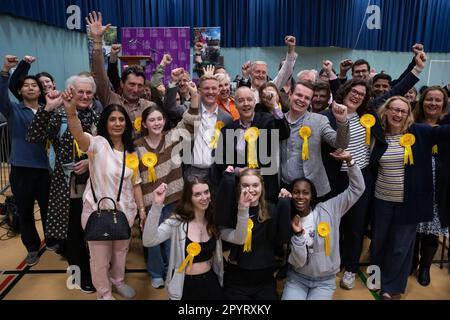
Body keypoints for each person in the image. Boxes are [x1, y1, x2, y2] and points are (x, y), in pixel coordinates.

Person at [63, 90, 145, 300]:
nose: (117, 123)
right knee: (99, 258)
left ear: (126, 124)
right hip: (97, 212)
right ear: (105, 123)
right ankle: (104, 293)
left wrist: (142, 210)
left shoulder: (132, 152)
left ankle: (117, 281)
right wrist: (71, 111)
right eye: (112, 119)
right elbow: (78, 135)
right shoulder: (97, 144)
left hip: (125, 212)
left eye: (121, 120)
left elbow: (135, 184)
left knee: (120, 253)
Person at [370, 96, 450, 299]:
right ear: (386, 111)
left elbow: (444, 131)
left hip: (409, 202)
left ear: (408, 115)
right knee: (379, 243)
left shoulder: (419, 132)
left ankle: (391, 287)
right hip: (382, 199)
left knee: (401, 246)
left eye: (402, 111)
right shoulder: (376, 134)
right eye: (394, 110)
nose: (397, 114)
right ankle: (375, 278)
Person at [27, 75, 99, 293]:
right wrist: (47, 108)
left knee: (95, 232)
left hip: (96, 184)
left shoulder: (97, 115)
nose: (85, 96)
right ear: (71, 93)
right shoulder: (59, 115)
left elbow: (105, 148)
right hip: (69, 187)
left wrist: (90, 161)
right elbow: (33, 136)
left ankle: (98, 271)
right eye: (81, 92)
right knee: (74, 235)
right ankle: (79, 276)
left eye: (89, 93)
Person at [135, 81, 200, 289]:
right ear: (144, 123)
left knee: (173, 239)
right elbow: (135, 179)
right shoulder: (135, 147)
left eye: (159, 119)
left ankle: (173, 269)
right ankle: (156, 272)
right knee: (153, 242)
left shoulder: (173, 137)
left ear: (164, 121)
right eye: (151, 120)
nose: (156, 123)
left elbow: (191, 121)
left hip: (174, 199)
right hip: (151, 204)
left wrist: (194, 95)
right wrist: (142, 209)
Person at [142, 178, 249, 300]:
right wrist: (156, 206)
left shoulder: (213, 221)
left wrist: (243, 209)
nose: (204, 197)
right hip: (184, 285)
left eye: (206, 192)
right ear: (189, 198)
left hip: (210, 282)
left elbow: (240, 239)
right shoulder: (176, 222)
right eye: (197, 194)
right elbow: (148, 240)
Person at [321, 79, 383, 290]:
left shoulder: (368, 117)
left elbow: (379, 143)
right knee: (334, 224)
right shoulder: (328, 116)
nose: (357, 96)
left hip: (361, 176)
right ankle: (333, 263)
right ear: (345, 92)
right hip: (336, 177)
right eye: (354, 91)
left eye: (362, 94)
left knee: (356, 226)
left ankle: (351, 268)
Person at [281, 150, 365, 300]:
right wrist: (298, 233)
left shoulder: (329, 208)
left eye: (305, 192)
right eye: (296, 192)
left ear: (312, 195)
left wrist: (350, 162)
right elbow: (299, 261)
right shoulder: (287, 217)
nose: (300, 196)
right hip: (297, 278)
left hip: (324, 282)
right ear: (291, 194)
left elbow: (357, 189)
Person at [0, 55, 54, 266]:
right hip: (21, 169)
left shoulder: (48, 111)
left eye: (35, 85)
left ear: (40, 91)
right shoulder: (13, 110)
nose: (31, 88)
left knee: (49, 209)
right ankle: (32, 247)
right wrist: (5, 70)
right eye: (26, 85)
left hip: (44, 169)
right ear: (20, 91)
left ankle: (52, 241)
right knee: (25, 212)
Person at [216, 168, 291, 300]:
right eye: (245, 185)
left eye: (255, 185)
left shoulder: (271, 209)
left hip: (264, 278)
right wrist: (228, 178)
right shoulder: (233, 210)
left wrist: (285, 204)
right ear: (239, 187)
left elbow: (281, 238)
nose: (250, 190)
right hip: (237, 278)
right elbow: (221, 223)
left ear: (262, 186)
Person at [86, 11, 153, 134]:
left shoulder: (149, 107)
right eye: (131, 84)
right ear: (122, 84)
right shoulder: (110, 99)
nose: (135, 89)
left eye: (139, 85)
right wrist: (97, 41)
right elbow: (100, 76)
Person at [280, 81, 349, 199]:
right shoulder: (278, 120)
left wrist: (342, 122)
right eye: (299, 95)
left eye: (307, 98)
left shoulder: (319, 120)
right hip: (284, 188)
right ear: (290, 94)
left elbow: (340, 143)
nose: (302, 100)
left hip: (312, 190)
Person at [410, 86, 449, 286]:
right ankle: (412, 261)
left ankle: (425, 267)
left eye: (437, 100)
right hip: (415, 184)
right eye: (429, 99)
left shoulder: (447, 125)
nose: (433, 103)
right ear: (422, 101)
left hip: (439, 186)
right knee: (414, 226)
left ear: (444, 104)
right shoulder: (411, 123)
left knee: (432, 230)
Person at [238, 36, 297, 103]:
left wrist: (291, 48)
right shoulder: (246, 89)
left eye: (263, 73)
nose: (260, 75)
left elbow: (286, 71)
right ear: (251, 73)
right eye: (257, 72)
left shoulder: (271, 88)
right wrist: (245, 75)